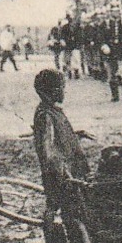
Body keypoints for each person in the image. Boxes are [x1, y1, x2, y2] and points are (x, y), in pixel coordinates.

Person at [31, 68, 90, 234]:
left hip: (67, 167)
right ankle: (53, 239)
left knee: (70, 202)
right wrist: (61, 169)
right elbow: (47, 146)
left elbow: (58, 135)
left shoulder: (52, 111)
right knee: (55, 203)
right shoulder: (46, 115)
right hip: (59, 171)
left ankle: (74, 231)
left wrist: (76, 134)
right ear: (54, 92)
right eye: (62, 88)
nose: (64, 92)